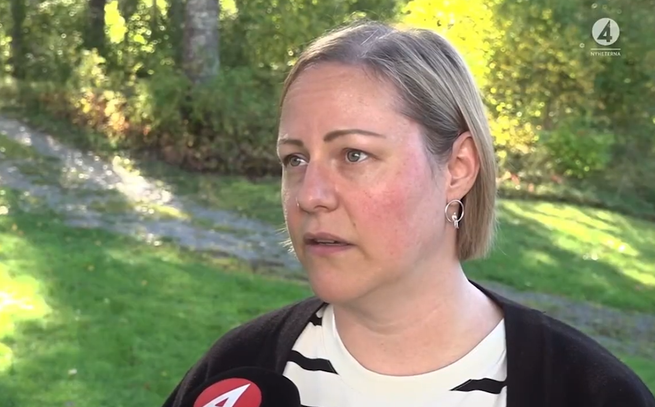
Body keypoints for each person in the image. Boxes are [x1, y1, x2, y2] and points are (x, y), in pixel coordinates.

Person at [161, 20, 655, 407]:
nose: (310, 195)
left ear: (458, 168)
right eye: (295, 159)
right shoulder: (234, 373)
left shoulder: (588, 392)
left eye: (354, 154)